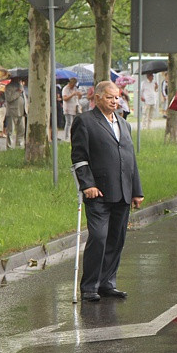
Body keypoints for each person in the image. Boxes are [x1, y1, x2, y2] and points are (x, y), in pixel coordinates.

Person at [71, 81, 144, 302]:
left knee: (116, 238)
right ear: (98, 97)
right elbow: (79, 157)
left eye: (118, 97)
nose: (115, 101)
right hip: (99, 192)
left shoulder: (124, 124)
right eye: (111, 97)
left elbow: (131, 160)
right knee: (99, 237)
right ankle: (89, 286)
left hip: (123, 190)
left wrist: (136, 190)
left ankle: (107, 282)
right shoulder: (84, 121)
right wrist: (87, 185)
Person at [5, 77, 26, 149]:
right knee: (10, 130)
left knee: (21, 130)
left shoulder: (21, 86)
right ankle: (9, 146)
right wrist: (18, 92)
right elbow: (9, 98)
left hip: (22, 111)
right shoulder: (8, 86)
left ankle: (19, 145)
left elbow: (24, 98)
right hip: (12, 111)